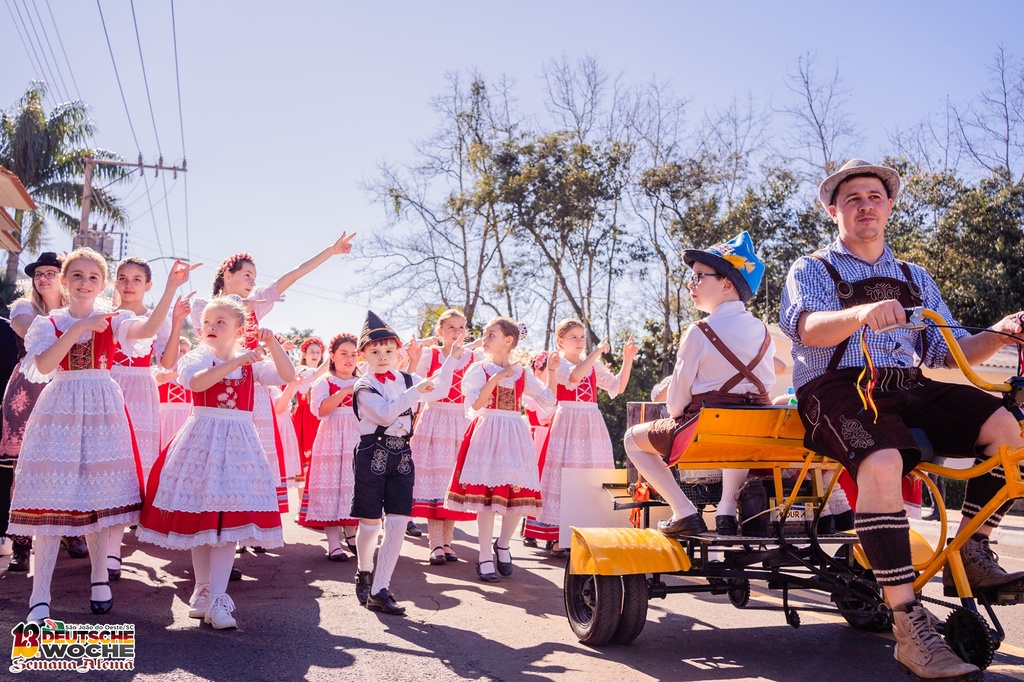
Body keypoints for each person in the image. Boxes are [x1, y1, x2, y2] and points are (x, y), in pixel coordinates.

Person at [780, 158, 1024, 681]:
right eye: (852, 199)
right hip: (838, 388)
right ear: (833, 211)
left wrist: (1002, 332)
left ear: (889, 207)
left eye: (874, 197)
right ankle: (908, 624)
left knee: (1008, 429)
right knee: (883, 462)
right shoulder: (813, 268)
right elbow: (810, 331)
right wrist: (859, 315)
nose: (865, 206)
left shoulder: (915, 276)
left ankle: (976, 551)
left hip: (909, 385)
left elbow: (945, 354)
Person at [9, 249, 194, 624]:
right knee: (50, 498)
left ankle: (99, 579)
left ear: (103, 284)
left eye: (93, 277)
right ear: (64, 280)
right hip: (59, 405)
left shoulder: (116, 319)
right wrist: (77, 328)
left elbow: (144, 330)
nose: (84, 282)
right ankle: (39, 594)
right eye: (76, 275)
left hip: (103, 405)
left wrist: (172, 288)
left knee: (99, 494)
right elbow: (43, 366)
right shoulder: (49, 323)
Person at [137, 297, 295, 630]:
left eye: (221, 322)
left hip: (239, 444)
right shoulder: (197, 357)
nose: (211, 327)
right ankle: (204, 592)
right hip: (203, 439)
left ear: (239, 329)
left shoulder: (251, 363)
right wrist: (236, 359)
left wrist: (273, 343)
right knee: (202, 520)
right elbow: (197, 384)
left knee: (227, 522)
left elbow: (287, 374)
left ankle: (218, 598)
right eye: (208, 322)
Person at [191, 233, 356, 514]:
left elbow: (291, 276)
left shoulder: (255, 304)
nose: (253, 281)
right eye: (247, 274)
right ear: (227, 275)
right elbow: (208, 345)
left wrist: (330, 250)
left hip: (252, 389)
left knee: (254, 454)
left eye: (254, 276)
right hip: (217, 388)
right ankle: (218, 514)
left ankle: (249, 517)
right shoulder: (203, 307)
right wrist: (236, 310)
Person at [623, 231, 776, 536]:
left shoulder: (699, 331)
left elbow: (676, 402)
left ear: (727, 283)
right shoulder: (763, 331)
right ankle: (726, 510)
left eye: (698, 277)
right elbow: (767, 384)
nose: (691, 285)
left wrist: (677, 410)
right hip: (750, 433)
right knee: (738, 433)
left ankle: (684, 512)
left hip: (702, 433)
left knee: (631, 439)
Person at [349, 310, 462, 615]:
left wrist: (450, 359)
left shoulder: (407, 378)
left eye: (388, 351)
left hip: (402, 455)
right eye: (375, 351)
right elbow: (385, 413)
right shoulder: (363, 386)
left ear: (397, 352)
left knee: (398, 523)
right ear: (363, 355)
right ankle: (364, 570)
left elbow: (440, 390)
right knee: (370, 525)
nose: (383, 356)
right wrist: (414, 392)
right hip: (372, 455)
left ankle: (380, 588)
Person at [446, 317, 556, 581]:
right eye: (485, 334)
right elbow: (475, 404)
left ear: (508, 341)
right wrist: (495, 378)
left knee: (518, 495)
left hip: (514, 434)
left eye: (491, 334)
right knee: (486, 498)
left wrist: (551, 370)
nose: (485, 339)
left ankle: (503, 544)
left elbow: (549, 401)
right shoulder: (479, 369)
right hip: (487, 431)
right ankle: (484, 554)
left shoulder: (522, 373)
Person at [108, 256, 193, 580]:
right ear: (115, 282)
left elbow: (168, 360)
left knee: (131, 465)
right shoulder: (105, 313)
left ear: (148, 286)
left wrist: (175, 319)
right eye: (123, 278)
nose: (129, 285)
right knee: (104, 462)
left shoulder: (154, 319)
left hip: (141, 390)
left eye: (136, 279)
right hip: (107, 385)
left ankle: (113, 550)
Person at [524, 320, 637, 555]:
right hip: (567, 421)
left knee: (593, 474)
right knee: (565, 475)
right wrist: (595, 352)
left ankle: (589, 533)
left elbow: (618, 386)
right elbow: (574, 378)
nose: (579, 341)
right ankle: (559, 536)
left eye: (581, 337)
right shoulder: (559, 364)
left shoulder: (593, 366)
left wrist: (627, 359)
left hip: (592, 421)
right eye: (573, 337)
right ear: (560, 341)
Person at [1, 252, 78, 573]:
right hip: (28, 388)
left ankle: (66, 532)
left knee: (65, 463)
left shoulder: (78, 310)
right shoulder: (24, 307)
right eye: (38, 274)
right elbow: (25, 331)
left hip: (67, 387)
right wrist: (76, 326)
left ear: (62, 278)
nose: (43, 278)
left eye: (50, 272)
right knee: (23, 468)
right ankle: (20, 542)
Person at [408, 309, 477, 565]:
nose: (457, 332)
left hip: (460, 420)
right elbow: (416, 384)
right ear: (440, 332)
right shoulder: (431, 355)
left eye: (461, 327)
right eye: (450, 327)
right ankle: (435, 543)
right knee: (435, 482)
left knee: (453, 482)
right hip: (435, 419)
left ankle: (448, 543)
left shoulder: (473, 358)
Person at [297, 333, 361, 560]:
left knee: (353, 485)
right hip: (332, 437)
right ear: (332, 356)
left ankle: (352, 534)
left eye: (353, 354)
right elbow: (322, 411)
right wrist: (343, 392)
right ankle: (333, 543)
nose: (349, 359)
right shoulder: (323, 382)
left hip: (357, 436)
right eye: (343, 354)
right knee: (331, 486)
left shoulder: (364, 382)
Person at [292, 337, 325, 479]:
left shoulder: (327, 375)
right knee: (303, 460)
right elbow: (313, 377)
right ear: (304, 354)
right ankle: (301, 500)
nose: (315, 355)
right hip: (303, 417)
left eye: (318, 352)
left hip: (320, 416)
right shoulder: (301, 371)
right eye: (311, 351)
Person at [155, 336, 194, 450]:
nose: (182, 354)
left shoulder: (191, 374)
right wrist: (181, 371)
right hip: (165, 416)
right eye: (179, 350)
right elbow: (161, 378)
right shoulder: (160, 370)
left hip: (185, 415)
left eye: (185, 352)